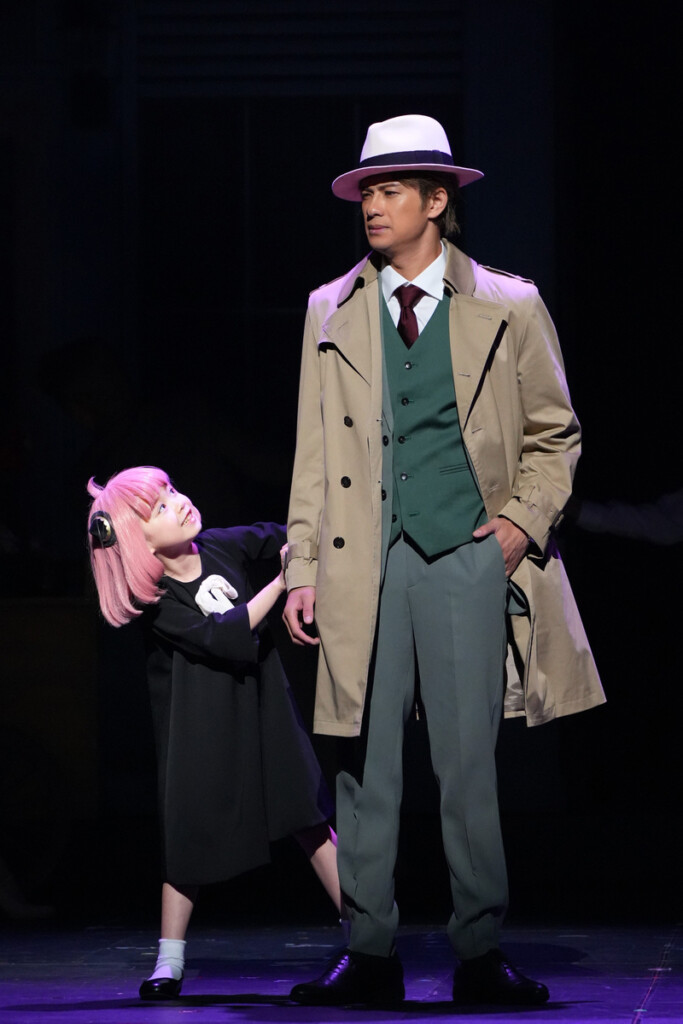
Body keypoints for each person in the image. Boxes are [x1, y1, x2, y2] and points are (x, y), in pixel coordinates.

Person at [282, 114, 605, 1007]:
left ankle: (478, 949)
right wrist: (302, 567)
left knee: (466, 764)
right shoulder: (330, 308)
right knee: (363, 762)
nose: (371, 206)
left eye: (389, 191)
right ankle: (369, 951)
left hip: (466, 553)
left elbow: (554, 434)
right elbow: (314, 453)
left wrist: (518, 526)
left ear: (436, 200)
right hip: (363, 561)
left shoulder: (507, 304)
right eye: (366, 192)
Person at [87, 466, 342, 1000]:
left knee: (309, 816)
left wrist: (305, 552)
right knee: (189, 836)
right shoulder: (159, 602)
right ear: (140, 543)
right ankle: (169, 960)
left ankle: (365, 932)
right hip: (200, 724)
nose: (179, 502)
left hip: (262, 704)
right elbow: (221, 635)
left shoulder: (221, 545)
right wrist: (281, 583)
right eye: (160, 507)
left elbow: (286, 535)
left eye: (173, 491)